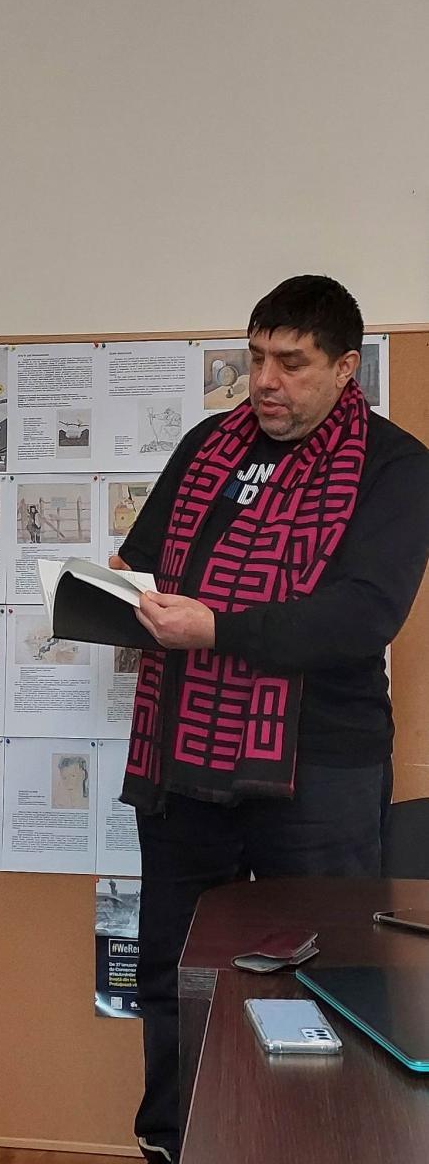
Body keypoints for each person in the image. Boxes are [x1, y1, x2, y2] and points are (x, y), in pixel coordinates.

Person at [108, 275, 429, 1164]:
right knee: (176, 971)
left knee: (329, 978)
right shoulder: (206, 446)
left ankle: (323, 1147)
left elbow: (362, 616)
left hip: (320, 767)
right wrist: (118, 592)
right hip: (184, 757)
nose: (265, 381)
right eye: (255, 358)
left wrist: (216, 627)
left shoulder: (396, 467)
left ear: (345, 367)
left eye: (291, 363)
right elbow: (144, 564)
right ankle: (172, 1145)